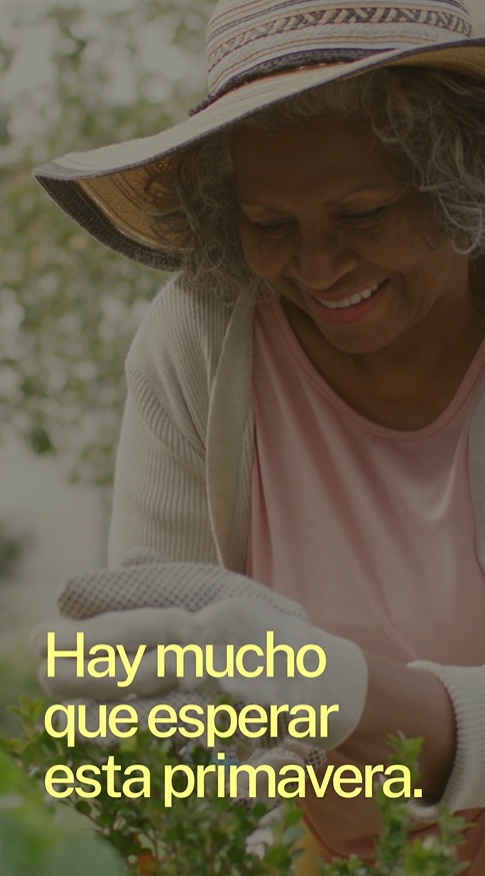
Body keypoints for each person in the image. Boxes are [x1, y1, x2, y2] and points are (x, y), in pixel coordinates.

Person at [33, 0, 485, 872]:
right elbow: (166, 686)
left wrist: (350, 696)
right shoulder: (201, 338)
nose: (318, 269)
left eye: (361, 213)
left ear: (460, 176)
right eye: (269, 225)